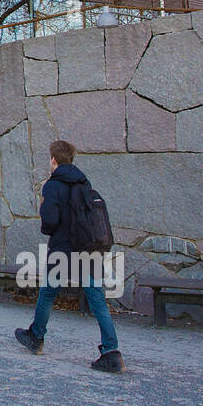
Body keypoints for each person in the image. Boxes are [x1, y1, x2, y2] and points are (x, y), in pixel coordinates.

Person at [15, 139, 125, 373]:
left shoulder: (52, 186)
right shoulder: (84, 183)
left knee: (47, 294)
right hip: (88, 248)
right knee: (97, 300)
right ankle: (112, 352)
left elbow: (49, 222)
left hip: (63, 249)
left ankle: (36, 337)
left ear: (54, 160)